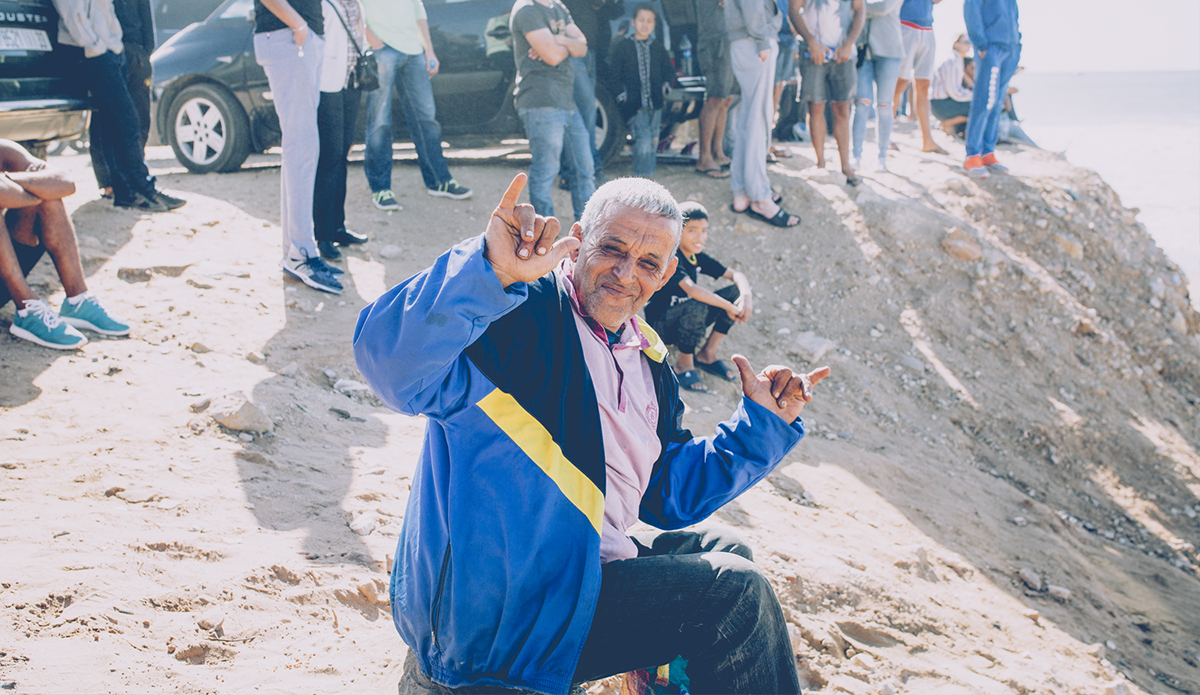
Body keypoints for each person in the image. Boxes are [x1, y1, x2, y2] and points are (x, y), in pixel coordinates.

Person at [354, 173, 828, 695]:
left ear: (668, 272)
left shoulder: (645, 355)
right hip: (499, 619)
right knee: (737, 596)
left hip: (578, 581)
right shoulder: (516, 310)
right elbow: (390, 366)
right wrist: (488, 271)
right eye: (612, 249)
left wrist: (761, 425)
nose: (625, 274)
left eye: (647, 263)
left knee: (728, 548)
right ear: (578, 240)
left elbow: (666, 495)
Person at [51, 0, 185, 213]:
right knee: (126, 121)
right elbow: (73, 14)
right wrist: (96, 47)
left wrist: (114, 46)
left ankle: (129, 193)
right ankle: (141, 188)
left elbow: (107, 13)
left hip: (111, 51)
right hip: (94, 54)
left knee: (114, 124)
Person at [0, 140, 129, 349]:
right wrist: (36, 190)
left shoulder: (4, 150)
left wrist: (9, 180)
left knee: (50, 197)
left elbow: (66, 183)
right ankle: (27, 309)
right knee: (43, 190)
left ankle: (78, 300)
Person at [254, 0, 344, 294]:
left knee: (300, 148)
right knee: (302, 147)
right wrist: (300, 25)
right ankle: (301, 253)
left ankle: (295, 251)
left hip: (298, 37)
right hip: (289, 37)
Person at [360, 0, 472, 212]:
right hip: (381, 50)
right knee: (380, 122)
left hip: (414, 51)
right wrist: (375, 43)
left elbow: (418, 11)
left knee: (427, 118)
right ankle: (381, 188)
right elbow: (352, 7)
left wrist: (429, 50)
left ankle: (439, 181)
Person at [644, 201, 753, 393]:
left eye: (704, 231)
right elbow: (692, 290)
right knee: (697, 304)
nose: (700, 237)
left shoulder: (696, 256)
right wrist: (729, 307)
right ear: (677, 232)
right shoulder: (671, 257)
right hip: (661, 325)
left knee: (734, 293)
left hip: (686, 316)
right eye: (692, 230)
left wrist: (745, 297)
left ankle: (707, 354)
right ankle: (683, 364)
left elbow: (736, 275)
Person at [510, 0, 595, 222]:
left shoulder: (558, 7)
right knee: (546, 171)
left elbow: (582, 47)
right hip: (540, 101)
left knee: (585, 168)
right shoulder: (527, 9)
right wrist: (567, 44)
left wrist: (557, 39)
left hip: (566, 102)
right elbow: (552, 56)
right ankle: (543, 234)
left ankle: (587, 231)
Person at [727, 0, 801, 227]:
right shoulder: (758, 38)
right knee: (757, 120)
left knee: (749, 119)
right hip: (754, 41)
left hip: (748, 39)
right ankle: (759, 197)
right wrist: (761, 40)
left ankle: (742, 192)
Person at [313, 0, 370, 261]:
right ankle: (323, 235)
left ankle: (338, 228)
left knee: (342, 156)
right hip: (327, 83)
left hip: (352, 82)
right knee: (329, 158)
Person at [790, 0, 866, 186]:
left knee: (842, 109)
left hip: (843, 51)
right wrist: (810, 41)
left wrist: (849, 43)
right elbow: (793, 9)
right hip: (811, 51)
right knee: (815, 106)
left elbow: (860, 10)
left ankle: (846, 166)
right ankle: (820, 163)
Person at [88, 0, 154, 201]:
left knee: (139, 118)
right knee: (105, 120)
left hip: (135, 51)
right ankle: (109, 183)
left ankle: (135, 178)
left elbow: (146, 18)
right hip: (107, 51)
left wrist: (144, 52)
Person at [559, 0, 623, 189]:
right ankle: (588, 171)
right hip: (572, 54)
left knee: (583, 113)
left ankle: (572, 172)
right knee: (585, 112)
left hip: (589, 51)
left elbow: (614, 9)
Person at [608, 5, 676, 178]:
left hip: (656, 104)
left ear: (654, 24)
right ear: (633, 22)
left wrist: (665, 88)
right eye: (641, 20)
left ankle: (649, 177)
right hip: (635, 106)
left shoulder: (658, 48)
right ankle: (641, 177)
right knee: (643, 140)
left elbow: (669, 72)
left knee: (653, 140)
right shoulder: (624, 47)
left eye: (649, 21)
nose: (645, 25)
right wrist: (623, 97)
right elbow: (614, 75)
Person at [962, 0, 1020, 178]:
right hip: (991, 47)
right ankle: (972, 155)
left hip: (1010, 49)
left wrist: (1017, 43)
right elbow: (971, 9)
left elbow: (1013, 14)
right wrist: (981, 44)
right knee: (984, 101)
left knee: (997, 102)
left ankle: (988, 152)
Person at [851, 0, 904, 173]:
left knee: (884, 105)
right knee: (861, 104)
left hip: (890, 52)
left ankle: (882, 157)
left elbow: (882, 7)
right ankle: (855, 156)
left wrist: (857, 8)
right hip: (862, 51)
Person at [890, 0, 947, 154]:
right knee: (899, 83)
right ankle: (885, 134)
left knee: (923, 86)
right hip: (905, 23)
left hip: (927, 27)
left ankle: (927, 140)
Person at [693, 0, 733, 178]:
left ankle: (717, 153)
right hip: (715, 40)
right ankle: (704, 158)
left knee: (726, 100)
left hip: (729, 37)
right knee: (715, 98)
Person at [930, 34, 974, 138]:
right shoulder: (952, 62)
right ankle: (948, 123)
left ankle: (954, 127)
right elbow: (955, 93)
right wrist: (977, 96)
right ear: (956, 44)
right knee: (980, 106)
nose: (969, 45)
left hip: (942, 103)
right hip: (941, 105)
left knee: (980, 105)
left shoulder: (958, 61)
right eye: (966, 42)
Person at [771, 0, 797, 160]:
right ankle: (763, 143)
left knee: (777, 96)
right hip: (775, 42)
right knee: (769, 96)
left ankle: (767, 142)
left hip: (788, 44)